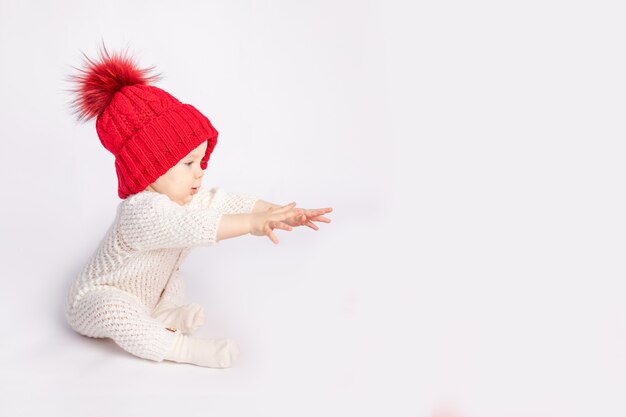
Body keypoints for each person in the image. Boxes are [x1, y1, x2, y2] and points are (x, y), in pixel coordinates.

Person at [64, 45, 333, 368]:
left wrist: (276, 212)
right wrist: (251, 224)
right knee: (115, 310)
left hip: (147, 295)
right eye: (189, 163)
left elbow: (222, 201)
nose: (201, 171)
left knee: (175, 278)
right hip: (93, 300)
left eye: (201, 160)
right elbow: (192, 226)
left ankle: (163, 314)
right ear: (150, 168)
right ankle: (182, 349)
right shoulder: (141, 212)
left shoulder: (183, 199)